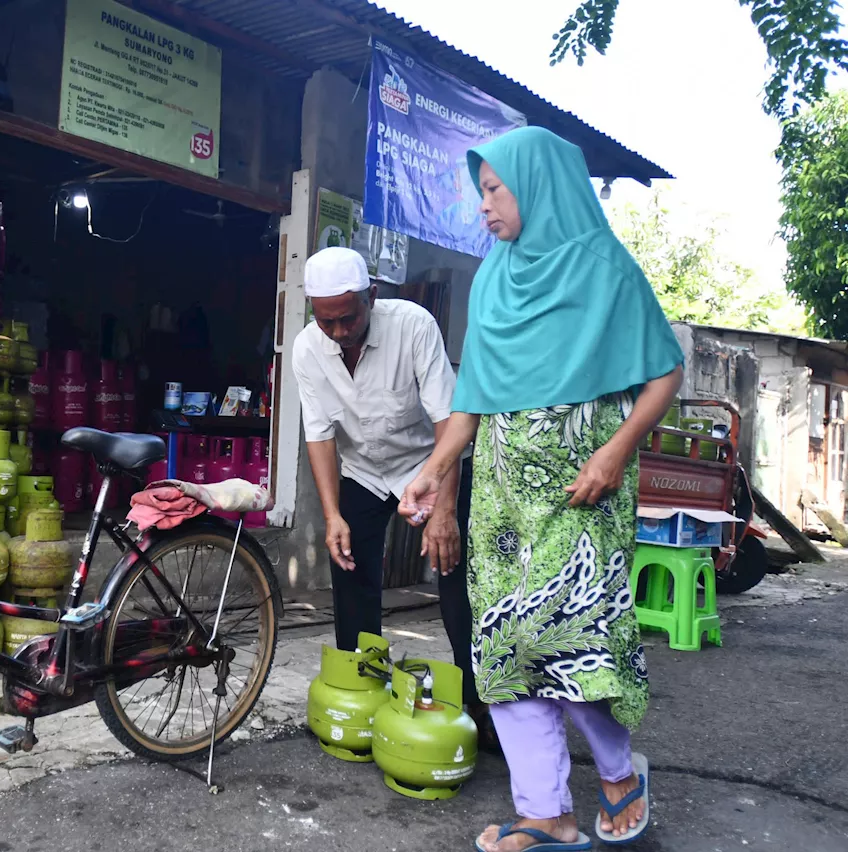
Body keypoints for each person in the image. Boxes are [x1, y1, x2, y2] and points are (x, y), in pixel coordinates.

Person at [399, 126, 683, 852]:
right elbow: (474, 397)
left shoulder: (605, 268)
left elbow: (663, 373)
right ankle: (546, 811)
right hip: (500, 492)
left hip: (583, 487)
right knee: (504, 644)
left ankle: (620, 777)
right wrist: (433, 471)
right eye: (481, 192)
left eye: (495, 190)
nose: (484, 207)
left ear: (539, 183)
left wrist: (618, 452)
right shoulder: (494, 276)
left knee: (574, 639)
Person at [291, 246, 496, 750]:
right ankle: (363, 690)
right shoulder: (306, 348)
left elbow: (449, 420)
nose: (339, 332)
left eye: (348, 318)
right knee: (350, 567)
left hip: (431, 466)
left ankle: (479, 706)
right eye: (326, 321)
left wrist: (444, 511)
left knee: (454, 578)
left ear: (372, 297)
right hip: (364, 470)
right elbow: (318, 435)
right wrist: (332, 514)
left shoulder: (414, 326)